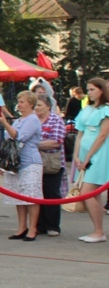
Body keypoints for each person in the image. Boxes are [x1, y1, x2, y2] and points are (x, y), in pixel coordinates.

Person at [0, 90, 43, 241]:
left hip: (30, 162)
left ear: (30, 103)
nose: (19, 104)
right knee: (19, 195)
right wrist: (4, 164)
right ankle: (21, 226)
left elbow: (20, 137)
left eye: (22, 101)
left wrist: (4, 123)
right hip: (16, 163)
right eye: (19, 102)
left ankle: (33, 228)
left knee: (31, 195)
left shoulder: (33, 119)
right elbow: (9, 140)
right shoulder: (18, 121)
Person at [71, 78, 109, 243]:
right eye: (88, 89)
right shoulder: (86, 109)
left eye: (93, 89)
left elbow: (102, 135)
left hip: (99, 154)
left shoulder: (106, 110)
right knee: (94, 195)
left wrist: (88, 157)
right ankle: (97, 230)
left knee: (87, 192)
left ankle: (99, 231)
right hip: (85, 152)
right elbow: (80, 133)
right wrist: (76, 155)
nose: (90, 92)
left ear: (101, 90)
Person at [34, 95, 67, 237]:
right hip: (34, 162)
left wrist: (35, 145)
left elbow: (56, 141)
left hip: (52, 162)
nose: (37, 108)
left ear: (48, 106)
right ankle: (39, 225)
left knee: (51, 192)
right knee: (37, 192)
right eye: (35, 105)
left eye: (39, 105)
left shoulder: (56, 120)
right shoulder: (33, 120)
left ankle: (53, 226)